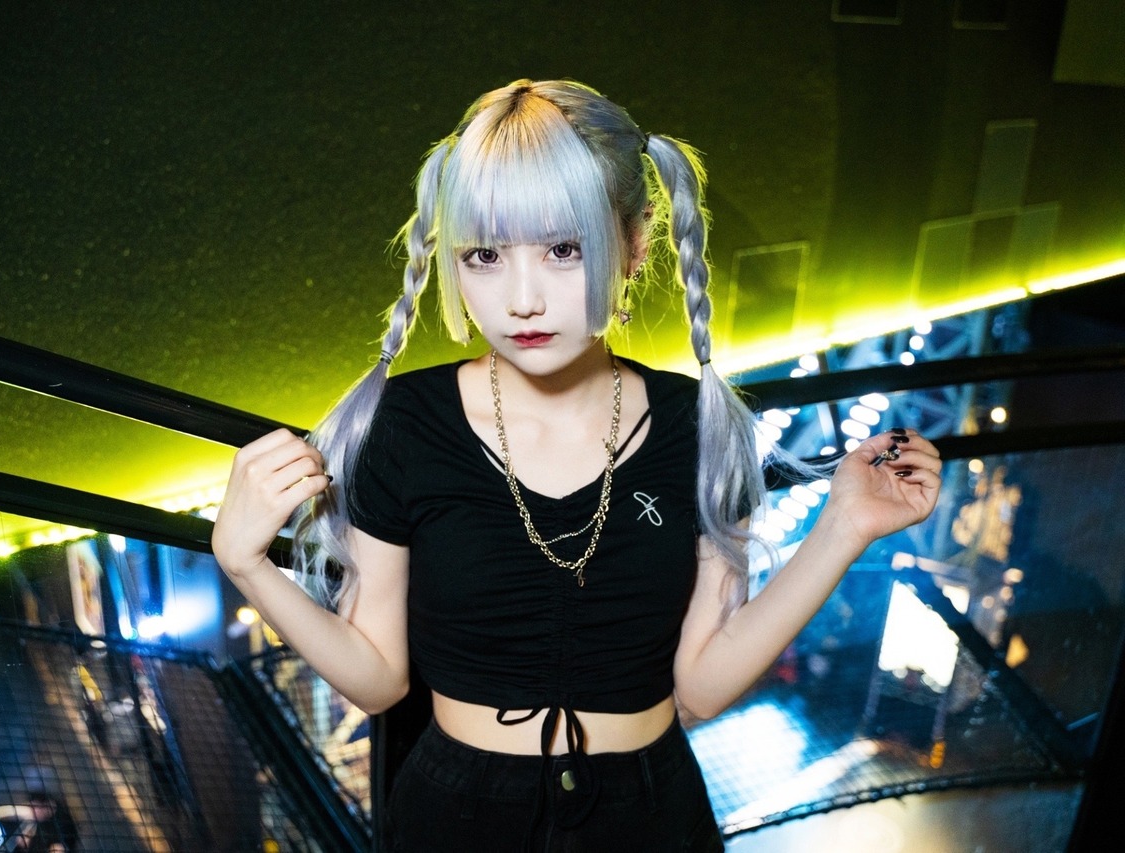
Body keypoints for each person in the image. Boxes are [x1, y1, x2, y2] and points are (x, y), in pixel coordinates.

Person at [213, 79, 941, 851]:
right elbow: (377, 678)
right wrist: (245, 562)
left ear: (635, 243)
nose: (522, 299)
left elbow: (702, 683)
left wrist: (842, 527)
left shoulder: (699, 424)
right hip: (458, 815)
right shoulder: (402, 425)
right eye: (485, 255)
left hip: (651, 813)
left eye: (564, 249)